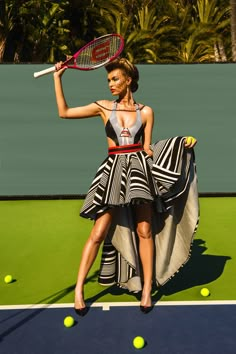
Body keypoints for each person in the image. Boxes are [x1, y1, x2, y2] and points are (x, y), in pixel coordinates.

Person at [53, 57, 197, 316]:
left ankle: (145, 291)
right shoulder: (104, 107)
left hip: (139, 171)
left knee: (144, 230)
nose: (110, 84)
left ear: (128, 80)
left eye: (115, 79)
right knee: (98, 233)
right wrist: (57, 78)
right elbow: (64, 112)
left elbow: (147, 149)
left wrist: (180, 144)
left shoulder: (146, 111)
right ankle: (78, 291)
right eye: (108, 80)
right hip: (113, 172)